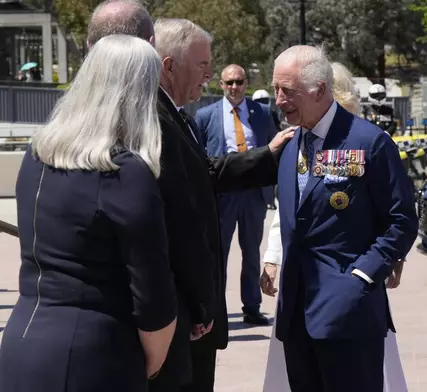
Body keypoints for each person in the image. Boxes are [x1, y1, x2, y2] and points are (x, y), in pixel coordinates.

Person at [85, 4, 294, 391]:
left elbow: (203, 172)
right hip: (181, 317)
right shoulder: (151, 119)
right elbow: (178, 216)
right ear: (168, 65)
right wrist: (200, 302)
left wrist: (267, 156)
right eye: (201, 65)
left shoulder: (177, 114)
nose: (211, 75)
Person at [0, 34, 177, 392]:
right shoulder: (125, 172)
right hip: (92, 354)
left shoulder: (38, 156)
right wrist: (149, 362)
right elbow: (153, 297)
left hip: (22, 341)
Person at [266, 45, 418, 392]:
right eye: (276, 89)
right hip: (297, 316)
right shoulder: (291, 145)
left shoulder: (368, 141)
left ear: (319, 89)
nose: (278, 99)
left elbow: (401, 220)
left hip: (349, 315)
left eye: (286, 91)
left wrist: (363, 275)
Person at [194, 64, 278, 326]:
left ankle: (251, 307)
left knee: (251, 251)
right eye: (229, 82)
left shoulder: (263, 113)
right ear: (221, 84)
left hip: (253, 192)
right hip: (223, 192)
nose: (234, 87)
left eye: (239, 82)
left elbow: (276, 148)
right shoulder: (205, 116)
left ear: (246, 83)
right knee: (218, 253)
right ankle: (216, 309)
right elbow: (198, 153)